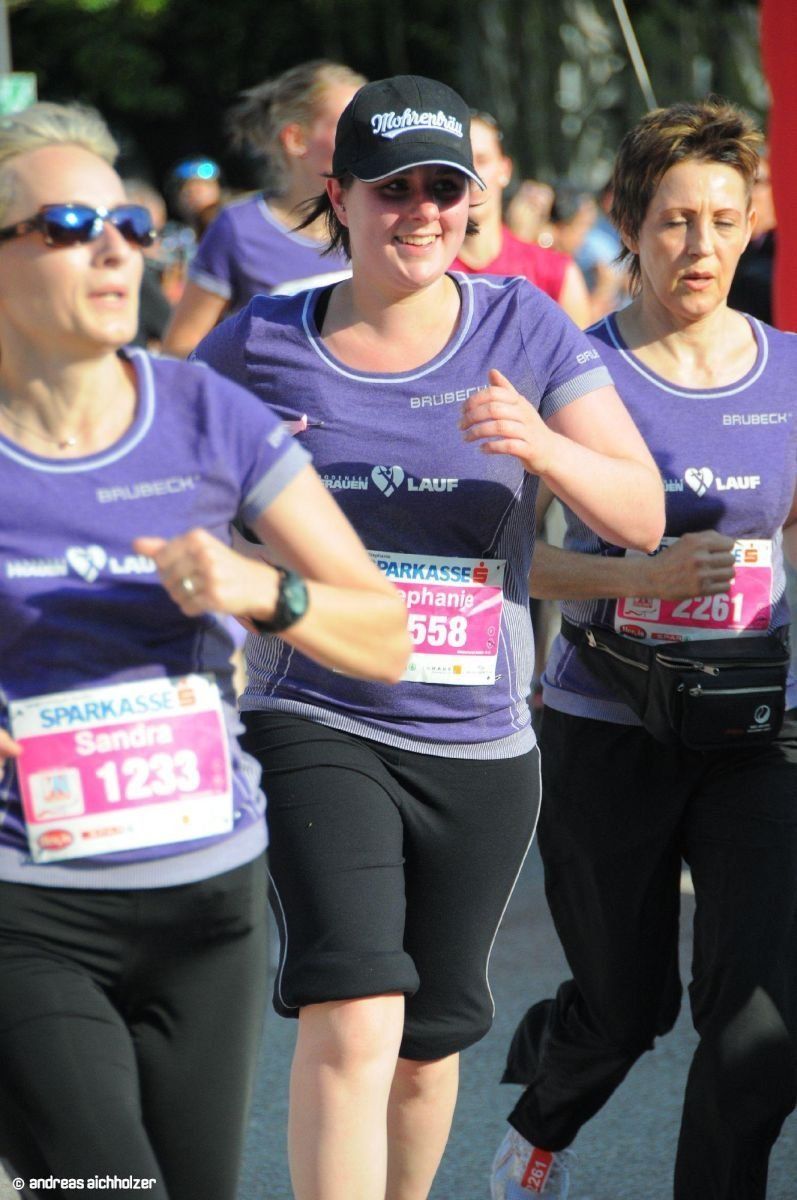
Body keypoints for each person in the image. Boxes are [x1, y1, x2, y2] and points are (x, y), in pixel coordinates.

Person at [194, 73, 664, 1200]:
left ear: (470, 201)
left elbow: (641, 515)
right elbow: (169, 485)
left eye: (441, 188)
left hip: (475, 738)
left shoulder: (520, 324)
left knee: (424, 1041)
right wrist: (237, 569)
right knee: (354, 1005)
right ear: (339, 195)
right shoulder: (262, 339)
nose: (420, 211)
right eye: (391, 188)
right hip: (314, 710)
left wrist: (543, 447)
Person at [0, 100, 409, 1200]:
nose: (114, 250)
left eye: (129, 226)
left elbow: (383, 634)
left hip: (206, 899)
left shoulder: (204, 414)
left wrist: (259, 589)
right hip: (24, 906)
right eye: (69, 226)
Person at [491, 99, 797, 1200]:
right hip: (606, 723)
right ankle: (539, 1122)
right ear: (628, 223)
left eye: (722, 218)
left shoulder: (789, 371)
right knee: (625, 1007)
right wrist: (638, 577)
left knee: (759, 1024)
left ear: (752, 223)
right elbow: (506, 563)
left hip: (755, 727)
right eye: (673, 220)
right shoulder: (576, 370)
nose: (699, 246)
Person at [162, 60, 364, 357]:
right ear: (296, 139)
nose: (367, 141)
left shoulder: (382, 222)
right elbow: (179, 350)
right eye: (349, 127)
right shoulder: (239, 227)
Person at [451, 113, 591, 327]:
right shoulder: (424, 274)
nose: (471, 176)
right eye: (459, 163)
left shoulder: (555, 273)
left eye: (482, 161)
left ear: (505, 170)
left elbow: (582, 346)